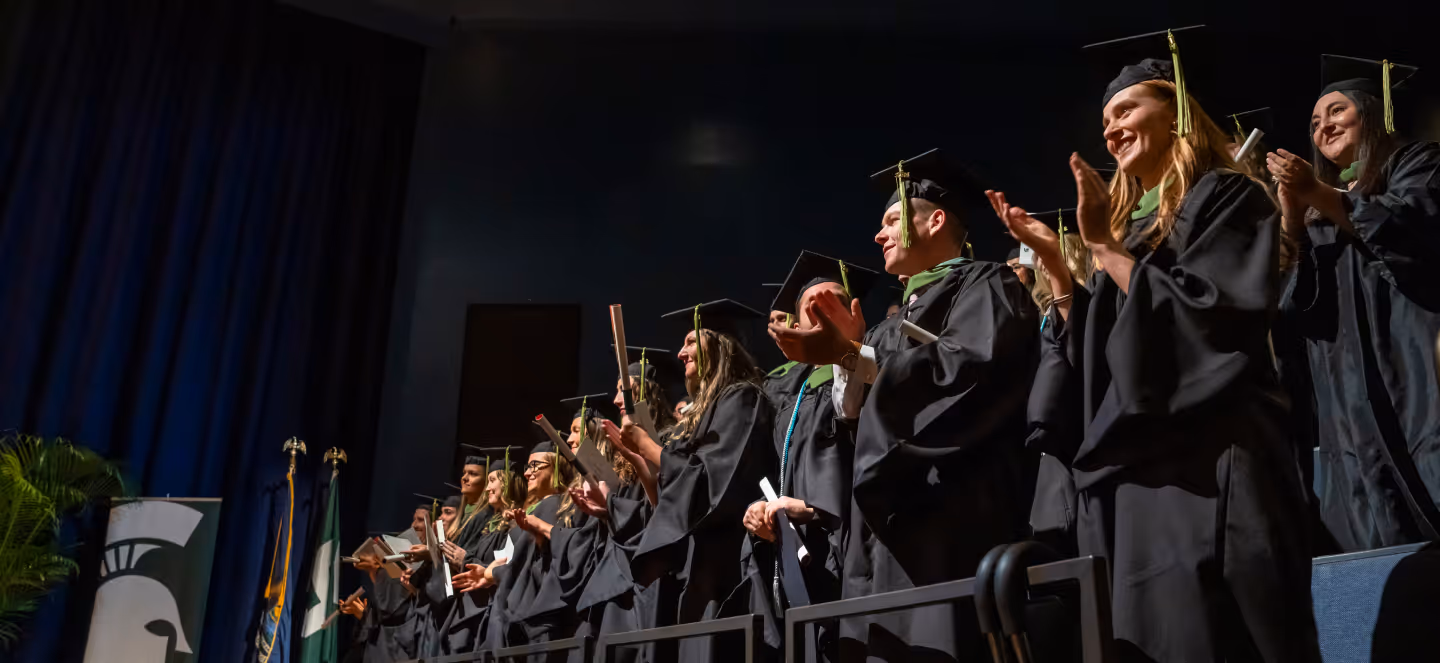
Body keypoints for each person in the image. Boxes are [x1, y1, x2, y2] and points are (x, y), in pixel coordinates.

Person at [992, 36, 1320, 661]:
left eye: (1127, 111)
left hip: (1212, 466)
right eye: (1106, 119)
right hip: (1137, 483)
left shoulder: (1229, 196)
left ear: (1176, 114)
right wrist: (1062, 269)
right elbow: (1100, 365)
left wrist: (1107, 251)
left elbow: (1211, 322)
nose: (1111, 131)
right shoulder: (1130, 229)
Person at [770, 148, 1039, 661]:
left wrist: (854, 354)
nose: (878, 235)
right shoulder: (885, 327)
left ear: (936, 220)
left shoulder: (986, 285)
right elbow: (854, 422)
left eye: (893, 219)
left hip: (949, 521)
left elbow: (967, 376)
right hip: (880, 534)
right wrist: (849, 359)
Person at [1268, 55, 1440, 553]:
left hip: (1414, 376)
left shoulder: (1419, 163)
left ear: (1373, 112)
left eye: (1337, 112)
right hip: (1348, 405)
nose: (1324, 127)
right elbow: (1295, 313)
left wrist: (1317, 193)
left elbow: (1411, 230)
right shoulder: (1324, 202)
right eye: (1315, 122)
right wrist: (1294, 220)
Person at [598, 300, 778, 661]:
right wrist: (643, 463)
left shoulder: (741, 399)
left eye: (691, 342)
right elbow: (670, 500)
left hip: (725, 566)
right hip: (693, 569)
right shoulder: (703, 413)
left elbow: (713, 484)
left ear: (721, 344)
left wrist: (649, 447)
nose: (681, 353)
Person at [745, 250, 878, 655]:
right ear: (797, 325)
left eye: (832, 302)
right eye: (810, 306)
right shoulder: (793, 393)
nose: (821, 312)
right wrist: (758, 509)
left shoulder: (875, 366)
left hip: (856, 547)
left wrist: (815, 508)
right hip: (798, 556)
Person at [484, 441, 581, 648]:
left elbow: (527, 565)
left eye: (535, 465)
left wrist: (492, 573)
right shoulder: (551, 506)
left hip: (540, 613)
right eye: (527, 467)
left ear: (556, 466)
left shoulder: (553, 504)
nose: (527, 473)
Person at [444, 463, 526, 652]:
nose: (487, 488)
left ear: (508, 484)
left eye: (492, 481)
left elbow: (505, 566)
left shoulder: (517, 523)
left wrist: (466, 559)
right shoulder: (492, 524)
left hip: (491, 608)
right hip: (473, 606)